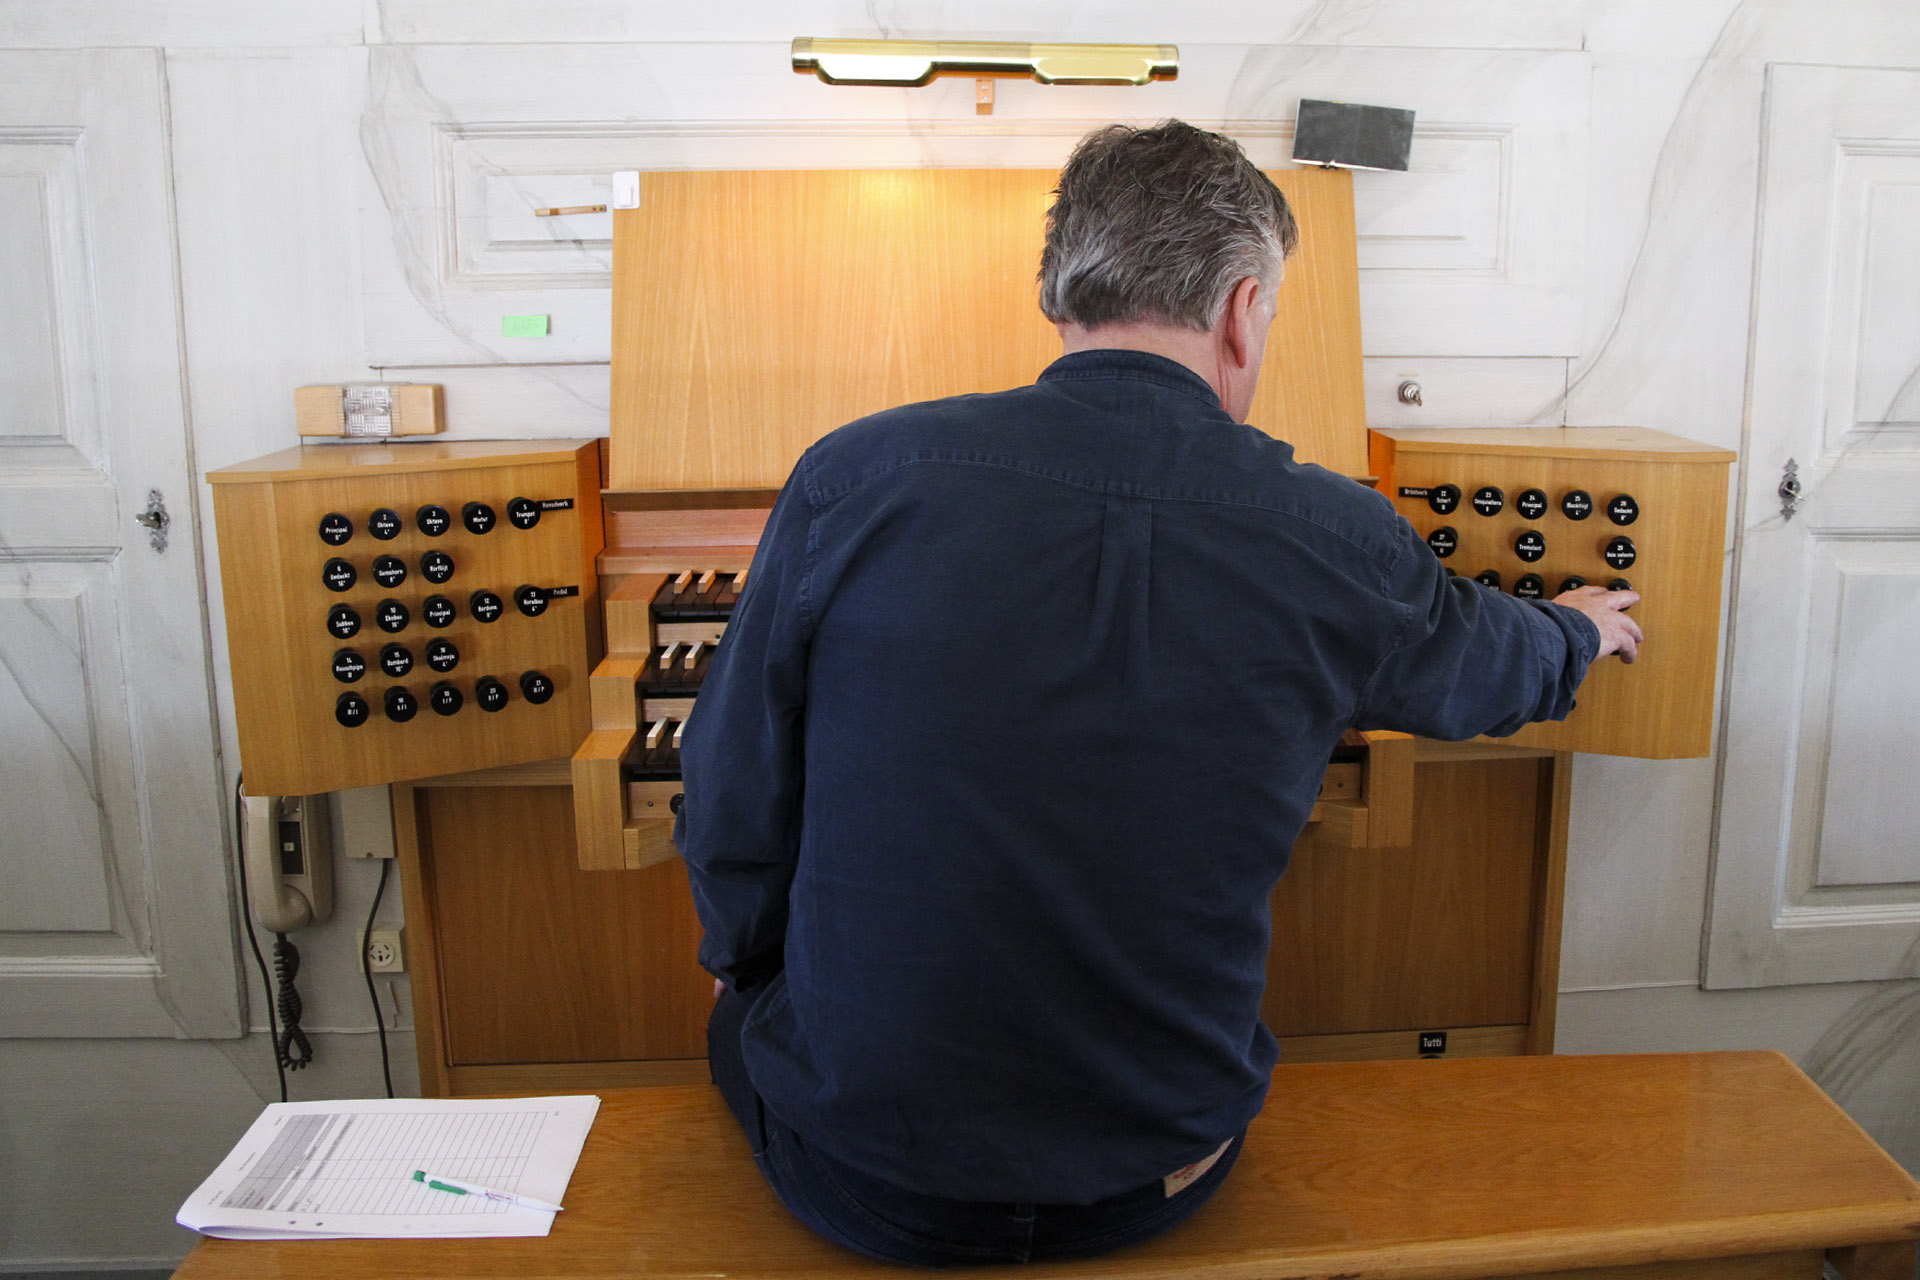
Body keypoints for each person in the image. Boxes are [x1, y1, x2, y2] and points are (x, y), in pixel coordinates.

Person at [675, 120, 1641, 1266]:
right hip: (1157, 1171)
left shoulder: (854, 477)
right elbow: (1489, 665)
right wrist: (1578, 630)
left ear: (1058, 290)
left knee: (745, 1016)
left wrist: (759, 970)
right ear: (1242, 309)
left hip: (866, 1178)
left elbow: (730, 788)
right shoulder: (1338, 535)